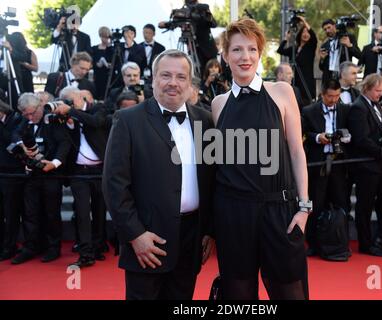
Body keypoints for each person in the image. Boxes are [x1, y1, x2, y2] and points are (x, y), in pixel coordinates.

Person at [103, 49, 215, 300]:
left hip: (191, 239)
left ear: (190, 83)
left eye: (181, 76)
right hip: (147, 240)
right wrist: (135, 235)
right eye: (165, 75)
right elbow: (114, 183)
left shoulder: (206, 121)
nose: (173, 83)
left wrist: (208, 230)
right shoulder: (128, 120)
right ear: (152, 79)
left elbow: (212, 181)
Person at [211, 18, 310, 300]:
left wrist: (304, 207)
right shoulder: (218, 104)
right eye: (237, 50)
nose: (245, 57)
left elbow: (296, 151)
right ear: (225, 55)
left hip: (279, 210)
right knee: (238, 293)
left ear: (260, 53)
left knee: (290, 291)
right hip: (233, 213)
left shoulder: (281, 91)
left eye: (252, 49)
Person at [11, 93, 71, 264]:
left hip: (52, 173)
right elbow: (14, 134)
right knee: (30, 213)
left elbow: (64, 143)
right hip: (31, 174)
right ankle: (31, 246)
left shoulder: (52, 120)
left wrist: (54, 163)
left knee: (52, 213)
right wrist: (21, 145)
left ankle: (53, 248)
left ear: (40, 106)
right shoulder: (23, 120)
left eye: (33, 113)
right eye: (26, 114)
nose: (30, 117)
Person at [54, 87, 109, 267]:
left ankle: (99, 246)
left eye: (72, 100)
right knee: (82, 212)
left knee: (100, 210)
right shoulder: (67, 117)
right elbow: (64, 140)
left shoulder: (97, 109)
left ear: (80, 96)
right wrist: (66, 119)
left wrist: (72, 111)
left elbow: (95, 122)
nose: (70, 104)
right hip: (78, 171)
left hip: (100, 171)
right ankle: (85, 252)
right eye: (67, 102)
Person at [347, 74, 382, 257]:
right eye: (378, 90)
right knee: (365, 206)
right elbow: (361, 139)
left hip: (380, 165)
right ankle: (365, 243)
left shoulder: (375, 105)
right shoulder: (358, 108)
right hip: (367, 166)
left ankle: (381, 240)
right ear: (367, 89)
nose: (381, 93)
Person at [301, 79, 351, 257]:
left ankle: (341, 242)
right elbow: (303, 133)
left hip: (338, 162)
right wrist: (318, 137)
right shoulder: (309, 111)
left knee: (341, 201)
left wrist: (345, 138)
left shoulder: (346, 109)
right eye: (330, 96)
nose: (334, 100)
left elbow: (351, 131)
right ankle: (314, 243)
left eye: (337, 96)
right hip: (318, 162)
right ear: (322, 94)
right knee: (316, 202)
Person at [0, 100, 25, 261]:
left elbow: (12, 142)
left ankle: (9, 246)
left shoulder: (16, 119)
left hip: (12, 174)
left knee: (11, 213)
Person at [277, 15, 318, 105]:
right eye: (303, 32)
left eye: (307, 33)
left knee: (307, 102)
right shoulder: (294, 49)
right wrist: (285, 39)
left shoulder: (310, 47)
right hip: (295, 80)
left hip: (306, 80)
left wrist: (304, 22)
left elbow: (314, 37)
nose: (305, 34)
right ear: (300, 34)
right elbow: (280, 50)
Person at [91, 27, 114, 100]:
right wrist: (96, 64)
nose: (105, 39)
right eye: (103, 37)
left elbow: (115, 60)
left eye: (107, 37)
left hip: (109, 76)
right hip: (98, 75)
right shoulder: (94, 48)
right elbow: (92, 61)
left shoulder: (112, 49)